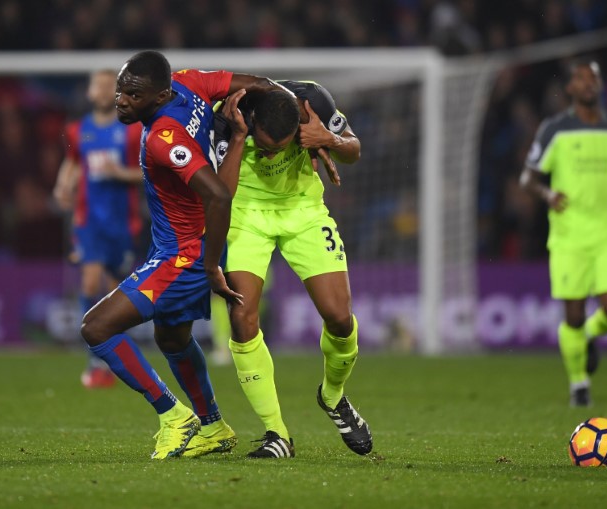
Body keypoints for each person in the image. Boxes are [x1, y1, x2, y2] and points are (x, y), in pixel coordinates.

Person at [80, 50, 283, 460]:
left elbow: (218, 194)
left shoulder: (163, 138)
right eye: (120, 90)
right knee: (172, 337)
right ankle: (213, 427)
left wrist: (210, 266)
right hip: (175, 244)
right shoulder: (190, 82)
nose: (121, 100)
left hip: (183, 255)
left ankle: (174, 416)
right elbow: (257, 84)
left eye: (132, 95)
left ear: (158, 96)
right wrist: (290, 100)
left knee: (96, 328)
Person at [211, 81, 372, 458]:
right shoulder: (225, 117)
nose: (268, 157)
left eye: (278, 149)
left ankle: (333, 397)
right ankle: (276, 433)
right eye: (262, 147)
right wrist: (237, 140)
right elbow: (220, 192)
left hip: (303, 212)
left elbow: (355, 150)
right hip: (246, 216)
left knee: (339, 319)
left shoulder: (313, 100)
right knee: (243, 317)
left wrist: (328, 140)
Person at [519, 60, 607, 407]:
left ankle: (588, 336)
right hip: (569, 236)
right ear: (570, 88)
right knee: (572, 314)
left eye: (594, 78)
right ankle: (579, 385)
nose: (588, 84)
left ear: (601, 86)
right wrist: (548, 195)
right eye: (581, 79)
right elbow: (527, 178)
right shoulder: (554, 129)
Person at [53, 69, 144, 389]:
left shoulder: (132, 132)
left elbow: (146, 172)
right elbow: (75, 162)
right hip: (88, 221)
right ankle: (95, 359)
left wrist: (120, 172)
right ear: (91, 92)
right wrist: (63, 185)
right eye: (99, 85)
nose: (104, 91)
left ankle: (113, 354)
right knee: (90, 280)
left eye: (110, 86)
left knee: (111, 293)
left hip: (121, 223)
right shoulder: (79, 130)